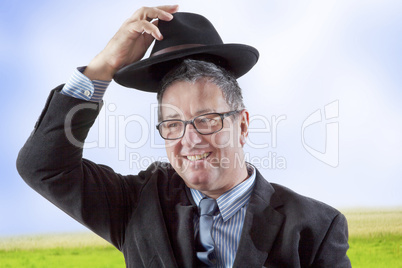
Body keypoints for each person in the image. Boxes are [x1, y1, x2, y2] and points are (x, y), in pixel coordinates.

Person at [17, 5, 351, 268]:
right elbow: (42, 167)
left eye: (207, 120)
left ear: (243, 126)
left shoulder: (315, 227)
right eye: (173, 124)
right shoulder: (135, 205)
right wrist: (103, 66)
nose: (190, 140)